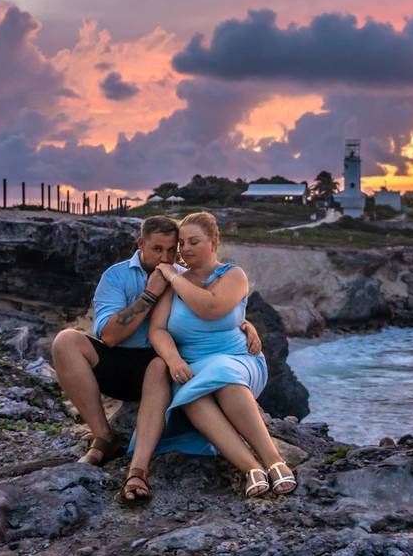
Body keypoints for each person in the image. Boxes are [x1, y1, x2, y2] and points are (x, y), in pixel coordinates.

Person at [50, 215, 262, 506]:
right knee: (66, 341)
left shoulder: (181, 276)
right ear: (141, 245)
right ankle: (103, 438)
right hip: (120, 360)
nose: (165, 257)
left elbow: (213, 309)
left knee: (159, 363)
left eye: (171, 250)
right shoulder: (117, 276)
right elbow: (109, 336)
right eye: (157, 249)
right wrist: (150, 293)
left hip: (164, 364)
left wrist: (246, 324)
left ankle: (138, 470)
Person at [138, 211, 296, 498]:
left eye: (193, 242)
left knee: (223, 373)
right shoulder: (172, 284)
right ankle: (251, 468)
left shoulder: (232, 275)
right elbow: (157, 330)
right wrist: (173, 360)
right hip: (193, 364)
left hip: (238, 358)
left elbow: (210, 308)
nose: (185, 249)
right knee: (190, 395)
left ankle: (275, 461)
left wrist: (173, 275)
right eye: (182, 243)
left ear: (213, 242)